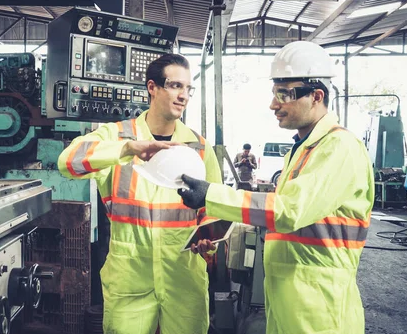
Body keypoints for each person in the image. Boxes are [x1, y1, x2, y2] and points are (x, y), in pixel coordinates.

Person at [178, 41, 374, 334]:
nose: (273, 104)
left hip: (321, 310)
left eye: (284, 94)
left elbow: (289, 211)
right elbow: (283, 214)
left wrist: (211, 194)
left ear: (316, 96)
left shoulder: (340, 147)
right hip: (289, 301)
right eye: (274, 93)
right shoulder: (302, 150)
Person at [58, 53, 222, 334]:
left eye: (187, 88)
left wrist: (210, 240)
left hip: (184, 277)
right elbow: (67, 162)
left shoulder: (199, 146)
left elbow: (215, 208)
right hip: (129, 279)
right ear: (152, 88)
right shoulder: (117, 136)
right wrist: (126, 149)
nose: (183, 95)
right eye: (175, 86)